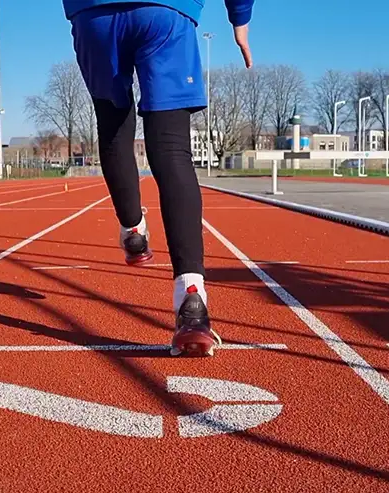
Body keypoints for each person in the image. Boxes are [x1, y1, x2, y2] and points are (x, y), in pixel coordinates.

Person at [62, 0, 254, 356]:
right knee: (171, 147)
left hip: (95, 15)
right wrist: (239, 17)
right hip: (166, 11)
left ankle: (133, 230)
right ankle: (191, 301)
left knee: (115, 127)